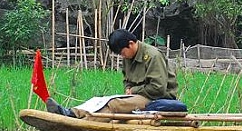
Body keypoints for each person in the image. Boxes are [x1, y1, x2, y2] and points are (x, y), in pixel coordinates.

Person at [45, 29, 185, 119]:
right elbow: (127, 80)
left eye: (122, 52)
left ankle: (83, 121)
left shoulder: (153, 56)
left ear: (131, 44)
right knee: (100, 100)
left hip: (157, 98)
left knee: (115, 104)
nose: (122, 56)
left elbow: (158, 88)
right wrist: (128, 89)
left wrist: (133, 90)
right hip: (138, 95)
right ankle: (72, 113)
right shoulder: (128, 57)